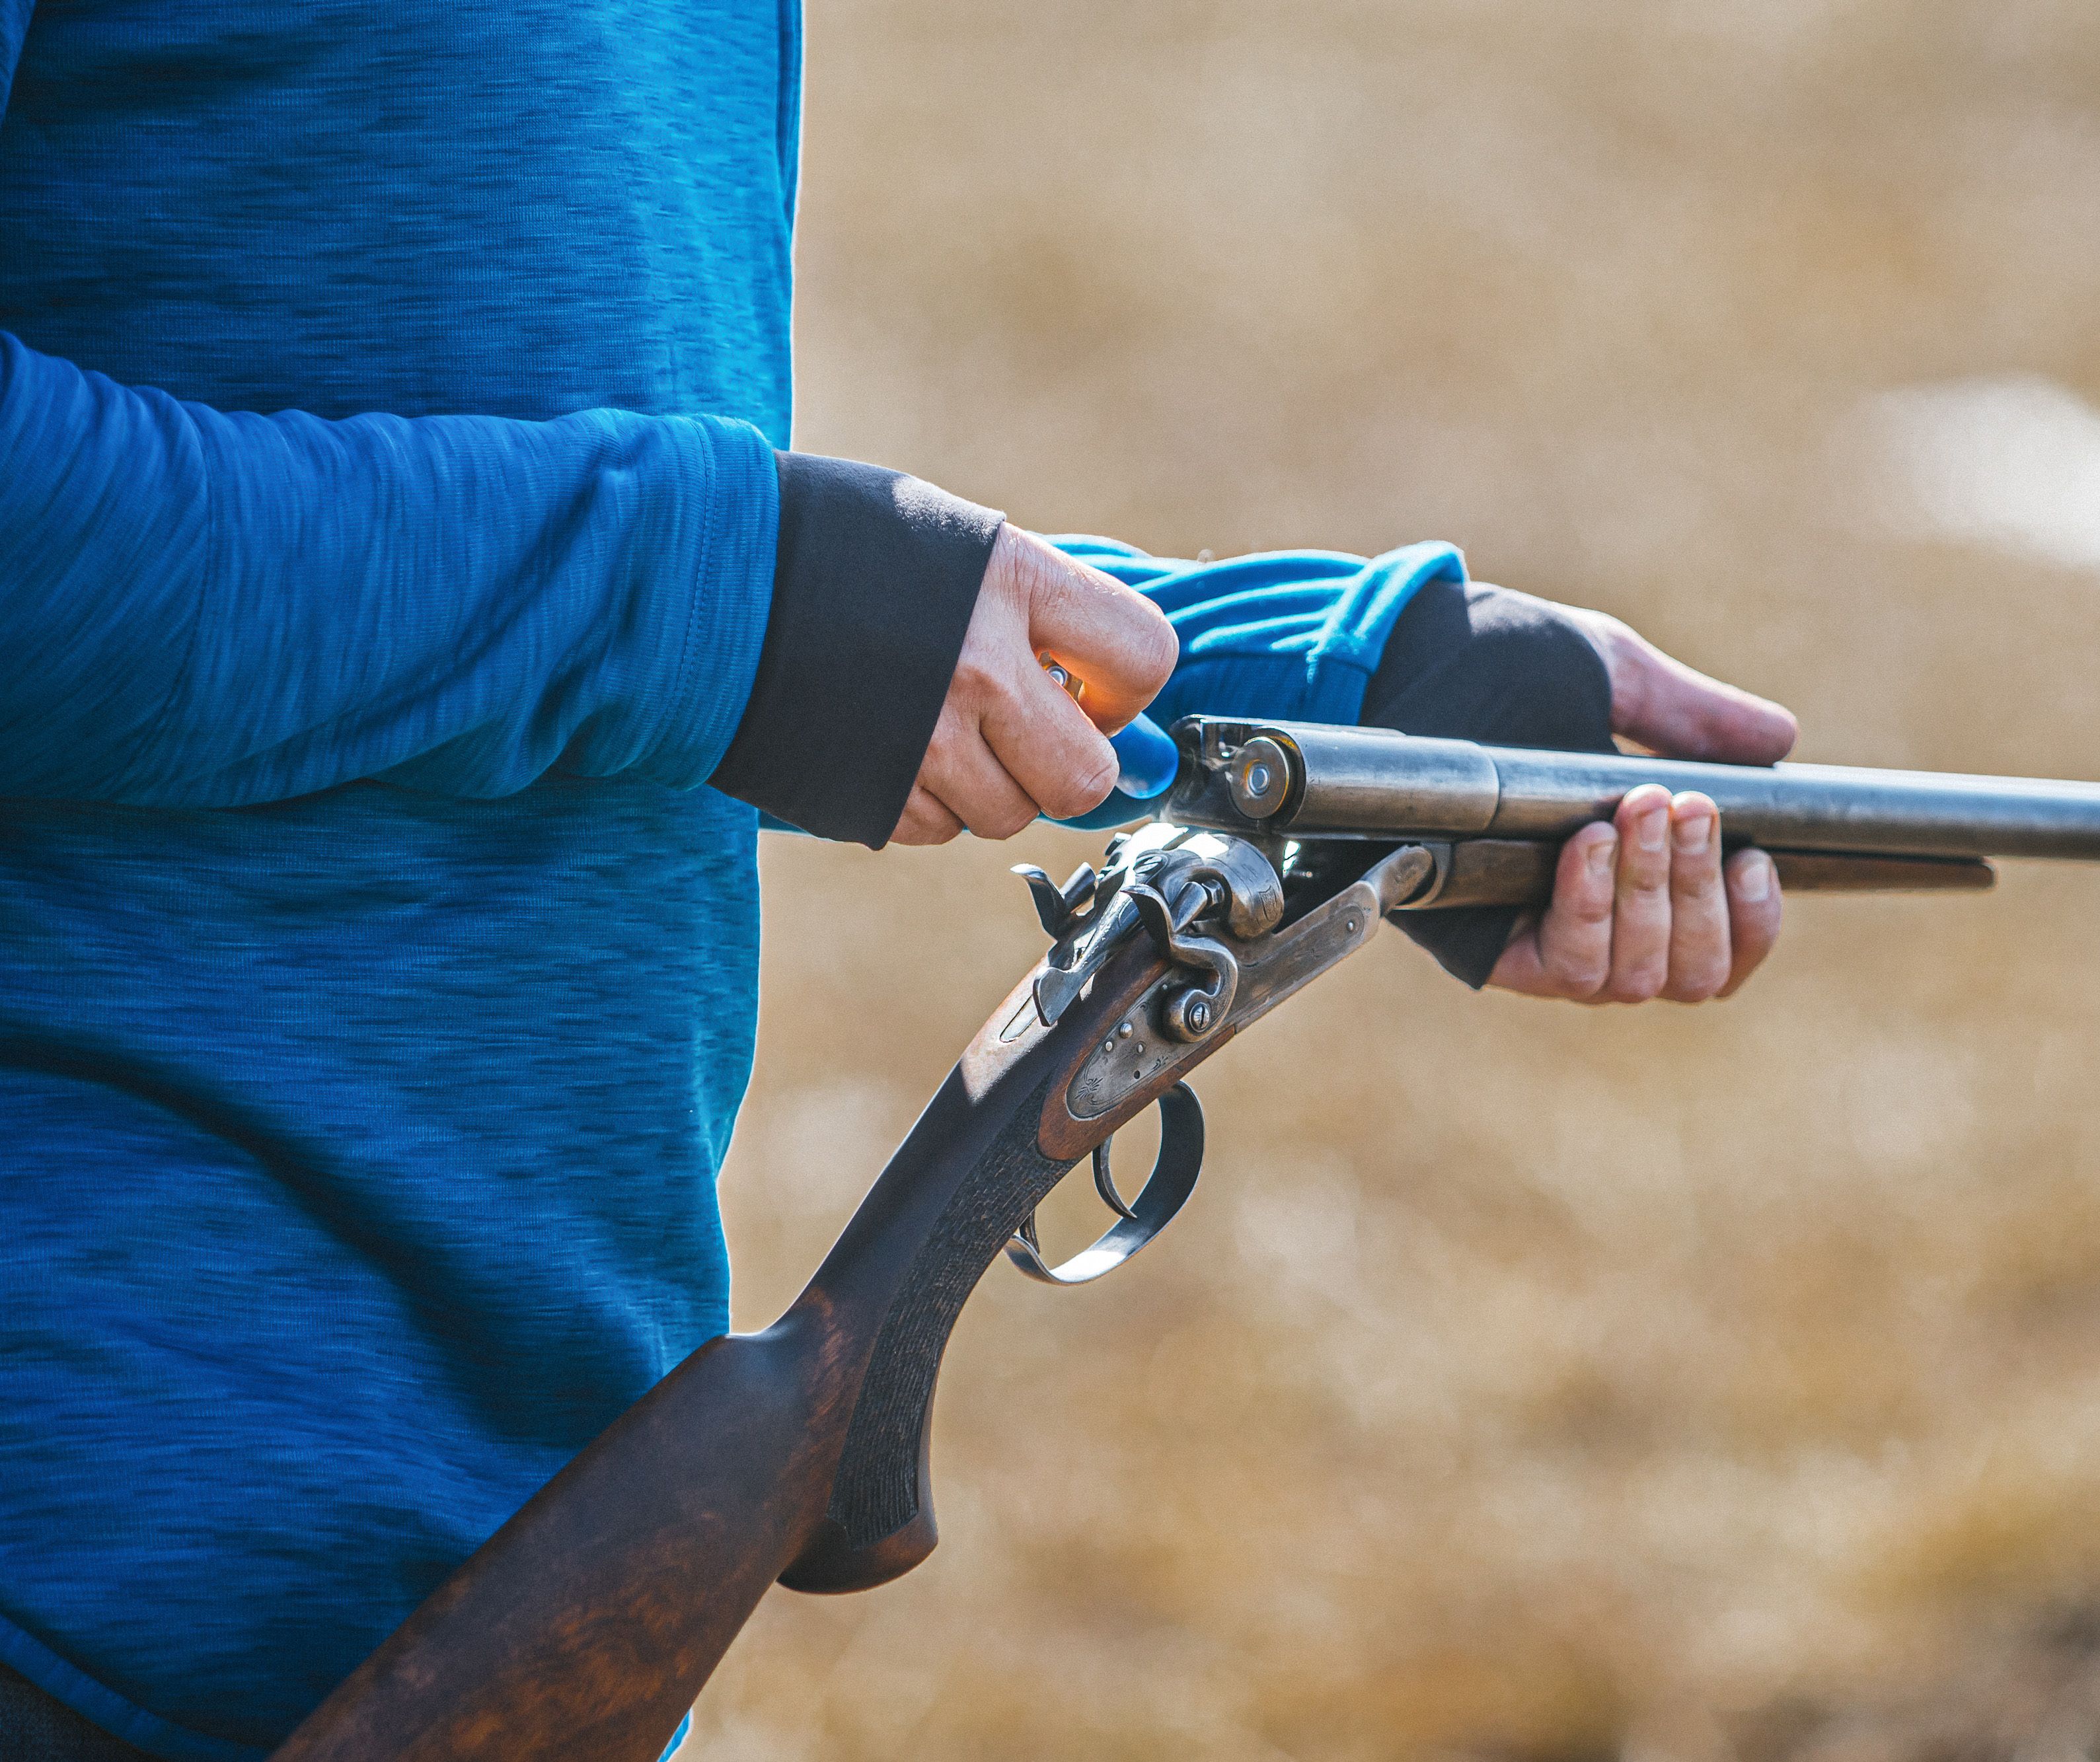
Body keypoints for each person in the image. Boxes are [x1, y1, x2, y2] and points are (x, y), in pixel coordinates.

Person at [0, 5, 1795, 1759]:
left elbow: (542, 507)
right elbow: (664, 585)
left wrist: (1338, 698)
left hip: (526, 1615)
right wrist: (725, 603)